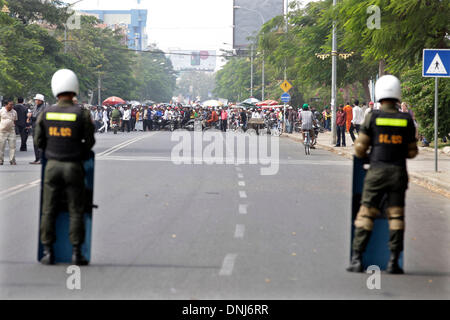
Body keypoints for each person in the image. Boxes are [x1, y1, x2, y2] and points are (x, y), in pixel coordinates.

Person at [347, 75, 418, 274]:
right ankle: (394, 261)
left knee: (366, 213)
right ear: (397, 95)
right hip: (398, 173)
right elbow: (412, 152)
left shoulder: (373, 116)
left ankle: (357, 259)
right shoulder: (406, 119)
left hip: (376, 172)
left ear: (379, 94)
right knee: (396, 216)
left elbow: (359, 149)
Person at [35, 69, 95, 266]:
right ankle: (77, 253)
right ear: (74, 89)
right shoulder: (82, 113)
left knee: (49, 209)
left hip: (52, 166)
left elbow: (38, 141)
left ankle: (48, 252)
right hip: (74, 167)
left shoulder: (46, 112)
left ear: (55, 89)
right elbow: (90, 142)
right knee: (76, 209)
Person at [0, 99, 18, 165]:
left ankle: (12, 160)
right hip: (2, 131)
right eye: (10, 104)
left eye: (12, 104)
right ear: (6, 105)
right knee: (1, 147)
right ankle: (1, 160)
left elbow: (15, 121)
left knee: (13, 146)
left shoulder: (14, 112)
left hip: (11, 131)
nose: (11, 106)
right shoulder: (1, 111)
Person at [29, 94, 46, 164]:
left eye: (36, 100)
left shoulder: (43, 107)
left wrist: (31, 116)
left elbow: (38, 117)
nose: (35, 101)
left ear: (40, 101)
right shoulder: (35, 106)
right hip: (34, 126)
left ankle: (40, 159)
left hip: (40, 128)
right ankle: (37, 158)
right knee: (35, 143)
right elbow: (33, 114)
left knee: (39, 143)